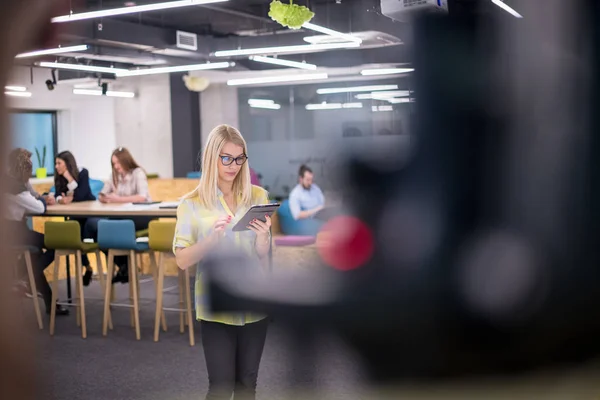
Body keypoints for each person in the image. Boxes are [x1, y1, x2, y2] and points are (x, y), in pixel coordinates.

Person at [173, 124, 272, 400]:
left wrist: (263, 239)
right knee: (220, 387)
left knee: (246, 385)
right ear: (211, 157)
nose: (233, 165)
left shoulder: (258, 197)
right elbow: (181, 260)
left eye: (239, 158)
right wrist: (209, 241)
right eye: (226, 158)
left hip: (254, 301)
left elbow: (264, 255)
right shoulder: (191, 204)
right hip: (217, 305)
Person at [4, 148, 69, 316]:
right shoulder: (15, 188)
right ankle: (22, 278)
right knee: (56, 243)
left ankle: (48, 301)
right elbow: (39, 208)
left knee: (34, 254)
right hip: (14, 232)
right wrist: (42, 200)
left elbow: (33, 195)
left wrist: (39, 197)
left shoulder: (11, 182)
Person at [83, 147, 152, 283]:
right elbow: (103, 193)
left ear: (126, 161)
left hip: (140, 216)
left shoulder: (137, 173)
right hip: (119, 217)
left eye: (118, 163)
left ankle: (125, 266)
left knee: (99, 227)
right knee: (93, 226)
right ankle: (124, 265)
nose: (116, 166)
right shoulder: (114, 176)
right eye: (114, 164)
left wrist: (116, 199)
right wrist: (104, 197)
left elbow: (142, 197)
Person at [52, 151, 96, 286]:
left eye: (59, 163)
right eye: (56, 163)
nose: (56, 166)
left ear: (67, 164)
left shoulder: (83, 173)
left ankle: (91, 267)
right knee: (74, 238)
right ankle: (88, 266)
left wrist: (69, 178)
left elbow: (81, 195)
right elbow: (58, 194)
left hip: (89, 213)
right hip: (74, 215)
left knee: (86, 232)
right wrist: (61, 200)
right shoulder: (58, 177)